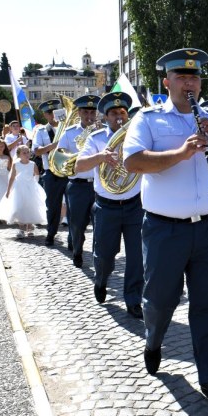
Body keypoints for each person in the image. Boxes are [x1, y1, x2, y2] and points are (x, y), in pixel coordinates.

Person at [123, 47, 208, 406]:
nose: (189, 82)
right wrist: (180, 153)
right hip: (165, 229)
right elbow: (132, 161)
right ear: (167, 82)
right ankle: (154, 338)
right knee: (161, 299)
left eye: (194, 76)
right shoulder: (148, 120)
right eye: (182, 76)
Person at [75, 92, 144, 319]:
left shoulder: (137, 136)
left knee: (137, 256)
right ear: (105, 117)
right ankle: (101, 279)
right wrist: (101, 157)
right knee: (105, 254)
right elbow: (78, 166)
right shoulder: (96, 138)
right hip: (106, 206)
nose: (119, 117)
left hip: (135, 204)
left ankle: (133, 299)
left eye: (122, 112)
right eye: (114, 113)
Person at [58, 95, 101, 267]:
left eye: (92, 112)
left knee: (100, 226)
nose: (89, 116)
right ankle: (77, 251)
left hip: (99, 186)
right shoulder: (69, 133)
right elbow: (60, 156)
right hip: (78, 185)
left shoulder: (103, 132)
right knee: (77, 224)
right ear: (80, 113)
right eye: (86, 112)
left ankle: (98, 257)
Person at [32, 99, 68, 246]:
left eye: (54, 111)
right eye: (49, 113)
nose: (52, 115)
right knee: (52, 206)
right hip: (51, 173)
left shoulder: (67, 128)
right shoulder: (41, 131)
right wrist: (54, 145)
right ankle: (51, 233)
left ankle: (74, 237)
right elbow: (37, 151)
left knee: (73, 206)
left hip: (68, 171)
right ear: (45, 115)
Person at [0, 144, 47, 238]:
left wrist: (34, 184)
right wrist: (8, 190)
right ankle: (21, 228)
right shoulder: (16, 164)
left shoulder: (32, 164)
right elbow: (12, 178)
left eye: (28, 152)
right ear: (19, 155)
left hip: (30, 187)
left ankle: (30, 227)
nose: (27, 154)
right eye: (24, 153)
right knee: (19, 207)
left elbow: (37, 174)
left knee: (30, 206)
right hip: (18, 188)